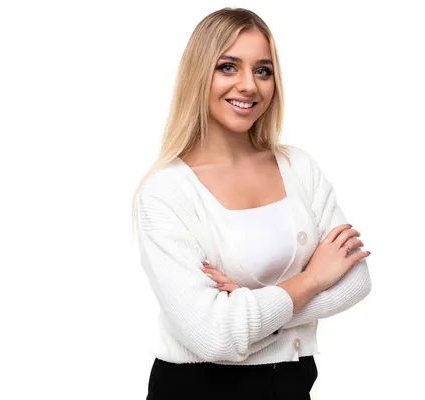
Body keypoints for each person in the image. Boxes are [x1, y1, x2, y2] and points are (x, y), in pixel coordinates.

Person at [131, 7, 372, 399]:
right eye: (228, 67)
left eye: (263, 70)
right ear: (199, 74)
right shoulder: (165, 192)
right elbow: (214, 336)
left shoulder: (299, 167)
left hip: (292, 387)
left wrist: (246, 307)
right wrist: (310, 280)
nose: (249, 86)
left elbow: (356, 280)